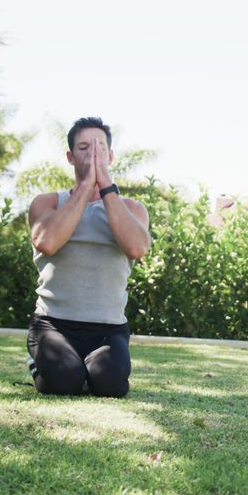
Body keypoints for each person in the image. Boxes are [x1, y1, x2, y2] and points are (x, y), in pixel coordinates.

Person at [25, 116, 151, 397]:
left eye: (100, 149)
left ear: (112, 156)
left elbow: (137, 248)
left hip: (108, 329)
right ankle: (42, 364)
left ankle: (88, 371)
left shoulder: (132, 208)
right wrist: (86, 186)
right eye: (84, 148)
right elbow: (47, 242)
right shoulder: (47, 203)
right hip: (53, 324)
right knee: (64, 383)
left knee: (111, 387)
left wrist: (104, 184)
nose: (93, 155)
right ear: (70, 157)